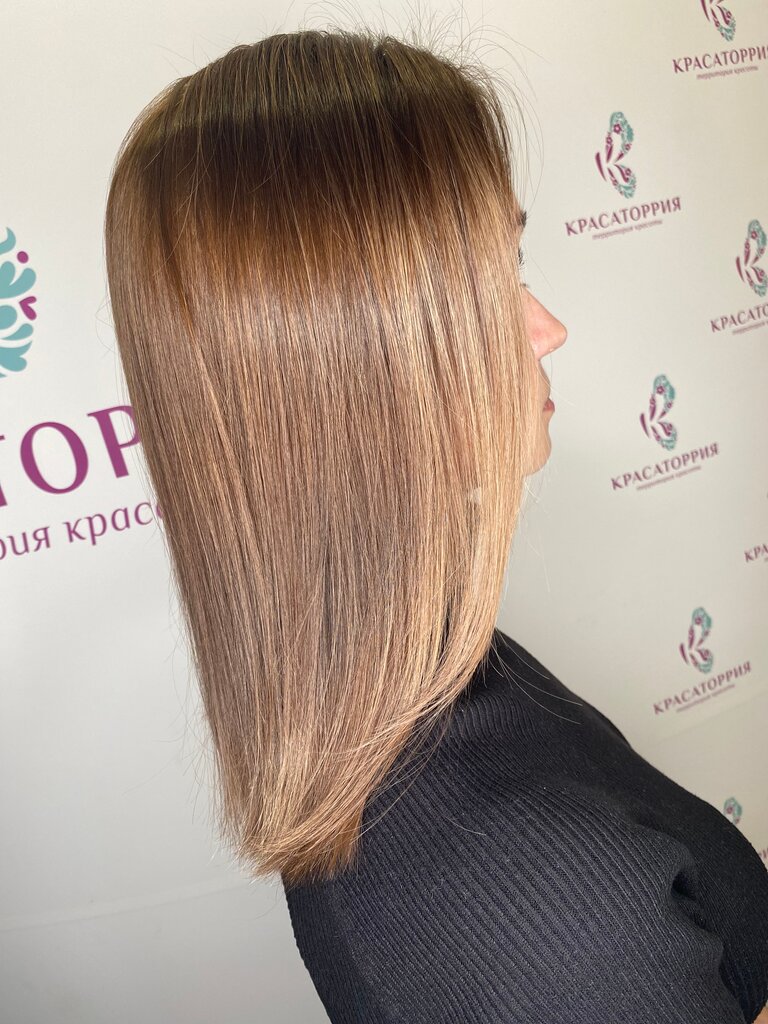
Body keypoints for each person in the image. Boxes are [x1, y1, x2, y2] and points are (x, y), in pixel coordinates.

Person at [103, 25, 768, 1023]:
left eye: (516, 261)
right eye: (485, 285)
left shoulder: (399, 678)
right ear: (349, 367)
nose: (548, 329)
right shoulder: (543, 912)